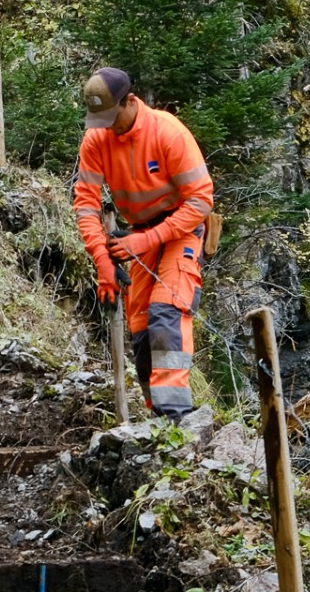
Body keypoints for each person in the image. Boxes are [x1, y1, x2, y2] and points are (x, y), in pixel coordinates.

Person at [72, 67, 214, 421]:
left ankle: (176, 417)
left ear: (130, 101)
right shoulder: (96, 138)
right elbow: (86, 203)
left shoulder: (167, 133)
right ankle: (156, 413)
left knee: (166, 313)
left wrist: (147, 239)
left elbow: (200, 201)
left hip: (180, 228)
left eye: (111, 118)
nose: (106, 127)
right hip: (138, 233)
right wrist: (102, 260)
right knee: (140, 327)